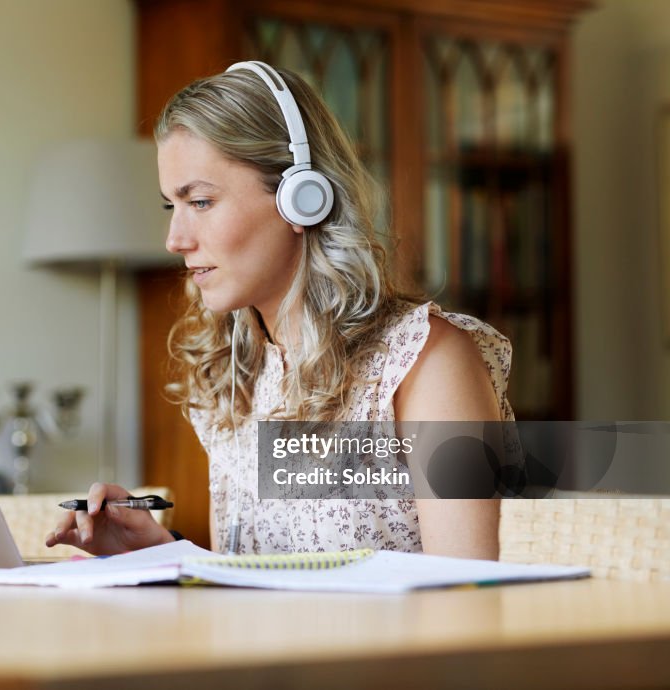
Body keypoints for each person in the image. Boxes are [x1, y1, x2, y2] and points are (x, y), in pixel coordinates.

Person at [45, 62, 513, 560]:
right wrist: (163, 552)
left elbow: (466, 601)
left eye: (200, 201)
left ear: (301, 199)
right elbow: (255, 590)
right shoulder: (232, 373)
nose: (175, 240)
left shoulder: (428, 363)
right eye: (171, 206)